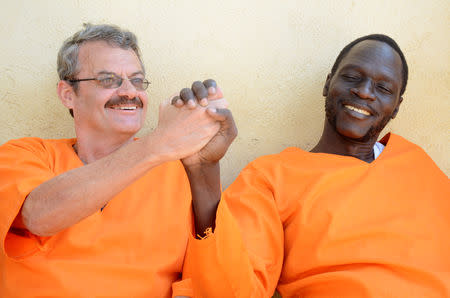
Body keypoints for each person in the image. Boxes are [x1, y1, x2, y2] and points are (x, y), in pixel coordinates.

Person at [180, 34, 450, 297]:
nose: (364, 92)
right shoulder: (271, 176)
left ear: (396, 106)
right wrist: (204, 171)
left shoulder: (420, 166)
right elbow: (236, 289)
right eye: (352, 77)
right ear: (328, 83)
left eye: (383, 88)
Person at [0, 23, 235, 297]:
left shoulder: (176, 170)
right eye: (108, 80)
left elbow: (222, 285)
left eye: (137, 80)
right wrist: (158, 142)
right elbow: (37, 217)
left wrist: (204, 167)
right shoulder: (25, 154)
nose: (130, 92)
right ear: (67, 94)